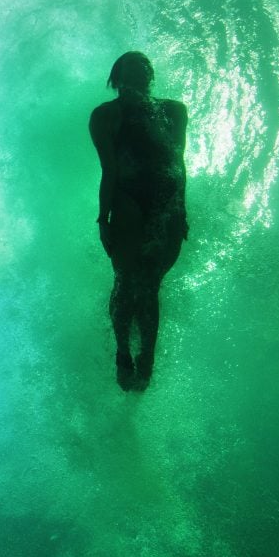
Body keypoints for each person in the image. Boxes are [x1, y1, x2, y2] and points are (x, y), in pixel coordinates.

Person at [89, 52, 188, 391]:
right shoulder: (106, 115)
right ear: (116, 77)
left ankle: (147, 356)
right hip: (128, 201)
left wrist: (182, 210)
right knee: (125, 282)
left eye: (145, 66)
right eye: (131, 67)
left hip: (166, 203)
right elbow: (110, 169)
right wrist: (104, 219)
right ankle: (121, 353)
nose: (140, 71)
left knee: (149, 286)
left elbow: (179, 161)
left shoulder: (174, 111)